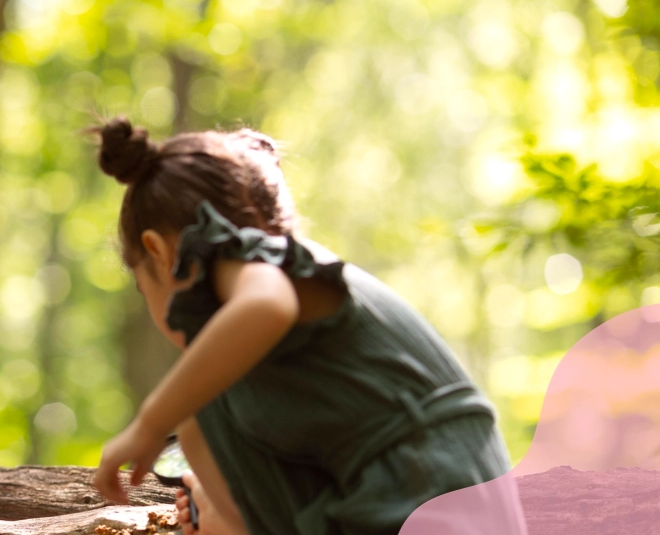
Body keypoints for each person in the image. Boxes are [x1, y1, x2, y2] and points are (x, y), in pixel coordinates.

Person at [89, 117, 525, 534]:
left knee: (196, 411)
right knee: (201, 418)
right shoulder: (240, 379)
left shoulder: (244, 258)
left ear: (160, 253)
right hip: (429, 495)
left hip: (432, 489)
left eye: (146, 291)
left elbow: (266, 306)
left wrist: (149, 424)